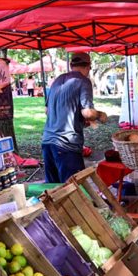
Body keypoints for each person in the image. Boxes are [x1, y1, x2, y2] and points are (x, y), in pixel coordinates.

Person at [42, 53, 107, 183]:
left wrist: (79, 121)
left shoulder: (58, 80)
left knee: (53, 192)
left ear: (71, 65)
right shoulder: (83, 81)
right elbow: (88, 113)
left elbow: (47, 110)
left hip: (47, 142)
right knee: (74, 191)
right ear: (88, 67)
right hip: (66, 144)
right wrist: (100, 115)